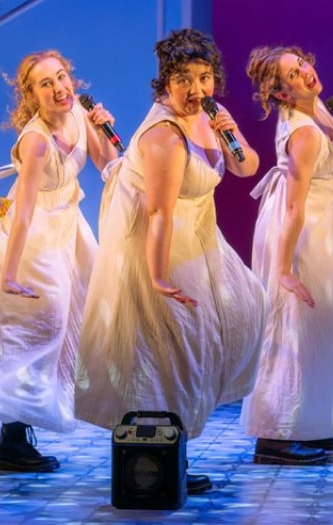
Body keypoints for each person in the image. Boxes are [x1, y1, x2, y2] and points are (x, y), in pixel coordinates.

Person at [74, 28, 266, 494]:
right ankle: (161, 456)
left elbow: (247, 167)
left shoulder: (208, 116)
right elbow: (158, 211)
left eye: (205, 78)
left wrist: (231, 134)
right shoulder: (165, 134)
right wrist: (157, 276)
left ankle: (172, 450)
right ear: (165, 82)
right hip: (164, 247)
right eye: (186, 79)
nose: (197, 90)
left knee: (221, 331)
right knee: (166, 354)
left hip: (199, 241)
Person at [0, 50, 119, 472]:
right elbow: (23, 209)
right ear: (31, 94)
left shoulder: (79, 111)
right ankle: (11, 437)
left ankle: (16, 436)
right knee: (40, 328)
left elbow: (109, 166)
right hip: (30, 239)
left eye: (62, 77)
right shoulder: (37, 140)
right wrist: (8, 273)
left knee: (72, 328)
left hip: (67, 230)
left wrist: (104, 129)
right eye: (46, 84)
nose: (59, 88)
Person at [241, 45, 333, 464]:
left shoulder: (322, 114)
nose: (306, 74)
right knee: (292, 324)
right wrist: (282, 269)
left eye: (303, 65)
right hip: (299, 230)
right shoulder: (305, 130)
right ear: (281, 94)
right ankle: (275, 434)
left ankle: (309, 424)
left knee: (320, 325)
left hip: (320, 227)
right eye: (293, 75)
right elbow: (294, 205)